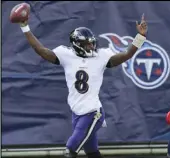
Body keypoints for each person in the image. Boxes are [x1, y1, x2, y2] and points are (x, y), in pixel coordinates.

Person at [16, 11, 147, 158]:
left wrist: (140, 37)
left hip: (93, 113)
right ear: (78, 45)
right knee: (92, 152)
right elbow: (41, 50)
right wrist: (25, 27)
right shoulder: (66, 55)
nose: (92, 46)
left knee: (71, 149)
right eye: (88, 44)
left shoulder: (101, 56)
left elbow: (127, 54)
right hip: (76, 113)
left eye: (92, 42)